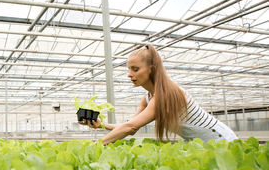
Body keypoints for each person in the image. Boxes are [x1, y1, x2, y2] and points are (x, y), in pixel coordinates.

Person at [80, 44, 238, 145]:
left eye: (135, 69)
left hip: (222, 139)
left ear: (151, 69)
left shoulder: (166, 95)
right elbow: (132, 126)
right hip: (201, 143)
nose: (129, 74)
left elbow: (130, 127)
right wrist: (101, 125)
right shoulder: (147, 98)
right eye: (129, 69)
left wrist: (96, 146)